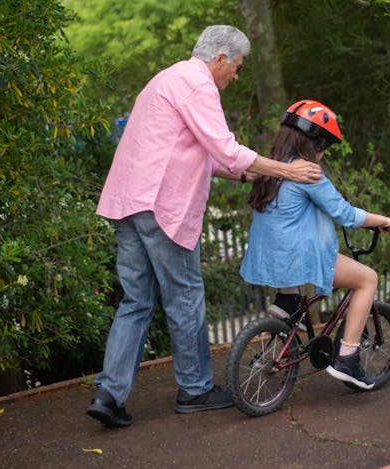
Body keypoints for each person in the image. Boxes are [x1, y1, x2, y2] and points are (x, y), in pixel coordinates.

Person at [87, 25, 322, 427]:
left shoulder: (165, 79)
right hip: (160, 206)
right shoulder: (198, 85)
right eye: (237, 68)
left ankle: (109, 393)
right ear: (219, 59)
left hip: (128, 202)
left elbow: (211, 159)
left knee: (137, 302)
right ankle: (195, 390)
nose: (236, 76)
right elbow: (227, 149)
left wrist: (257, 177)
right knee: (185, 297)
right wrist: (288, 171)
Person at [239, 99, 390, 389]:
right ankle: (348, 359)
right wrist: (382, 220)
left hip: (270, 257)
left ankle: (289, 303)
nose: (324, 154)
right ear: (316, 143)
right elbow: (345, 215)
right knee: (367, 279)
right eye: (325, 146)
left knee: (295, 243)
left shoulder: (272, 169)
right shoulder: (308, 172)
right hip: (299, 258)